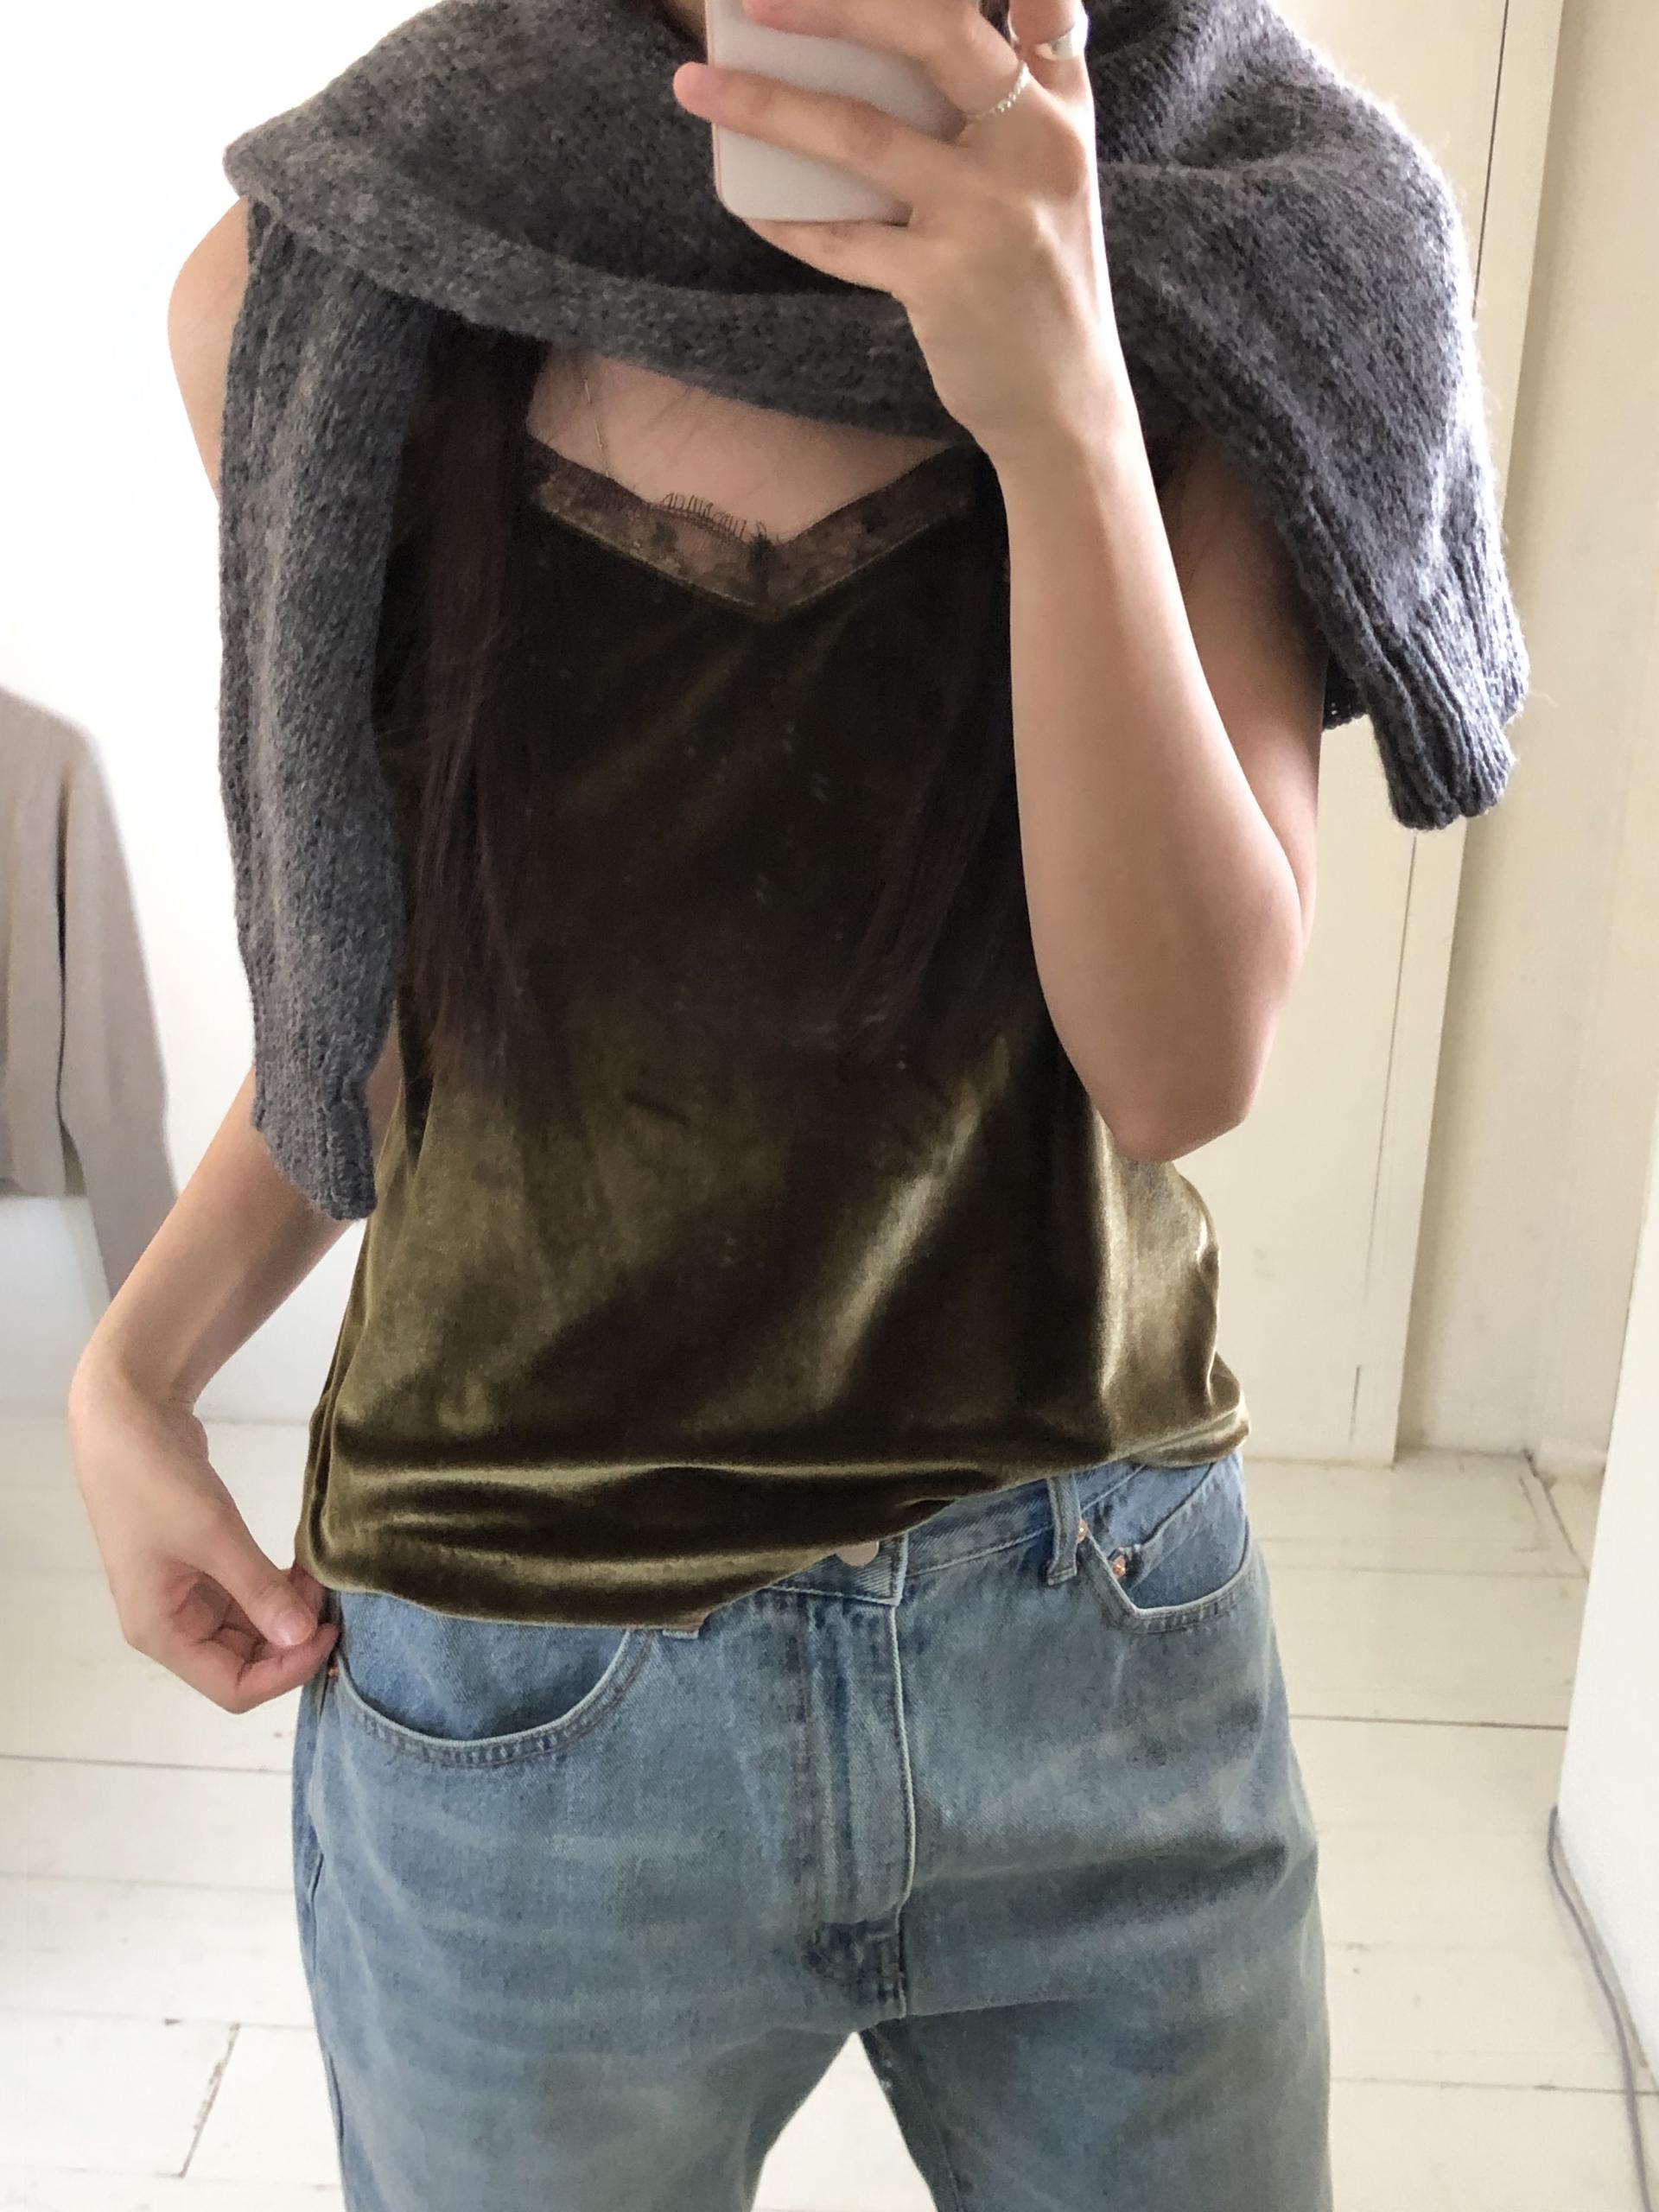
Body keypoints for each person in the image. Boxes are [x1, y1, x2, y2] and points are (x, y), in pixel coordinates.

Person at [67, 0, 1335, 2204]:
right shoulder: (337, 273)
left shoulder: (1228, 231)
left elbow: (1182, 1059)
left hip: (1088, 1635)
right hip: (523, 1692)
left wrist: (1063, 395)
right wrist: (135, 1368)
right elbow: (388, 999)